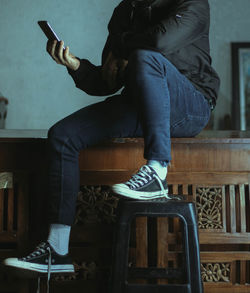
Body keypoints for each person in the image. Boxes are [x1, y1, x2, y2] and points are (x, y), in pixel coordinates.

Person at [3, 0, 220, 280]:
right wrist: (74, 64)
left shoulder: (192, 4)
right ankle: (56, 250)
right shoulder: (124, 11)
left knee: (145, 56)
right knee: (63, 135)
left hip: (191, 104)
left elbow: (158, 42)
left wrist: (122, 44)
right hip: (142, 102)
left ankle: (157, 170)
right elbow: (107, 80)